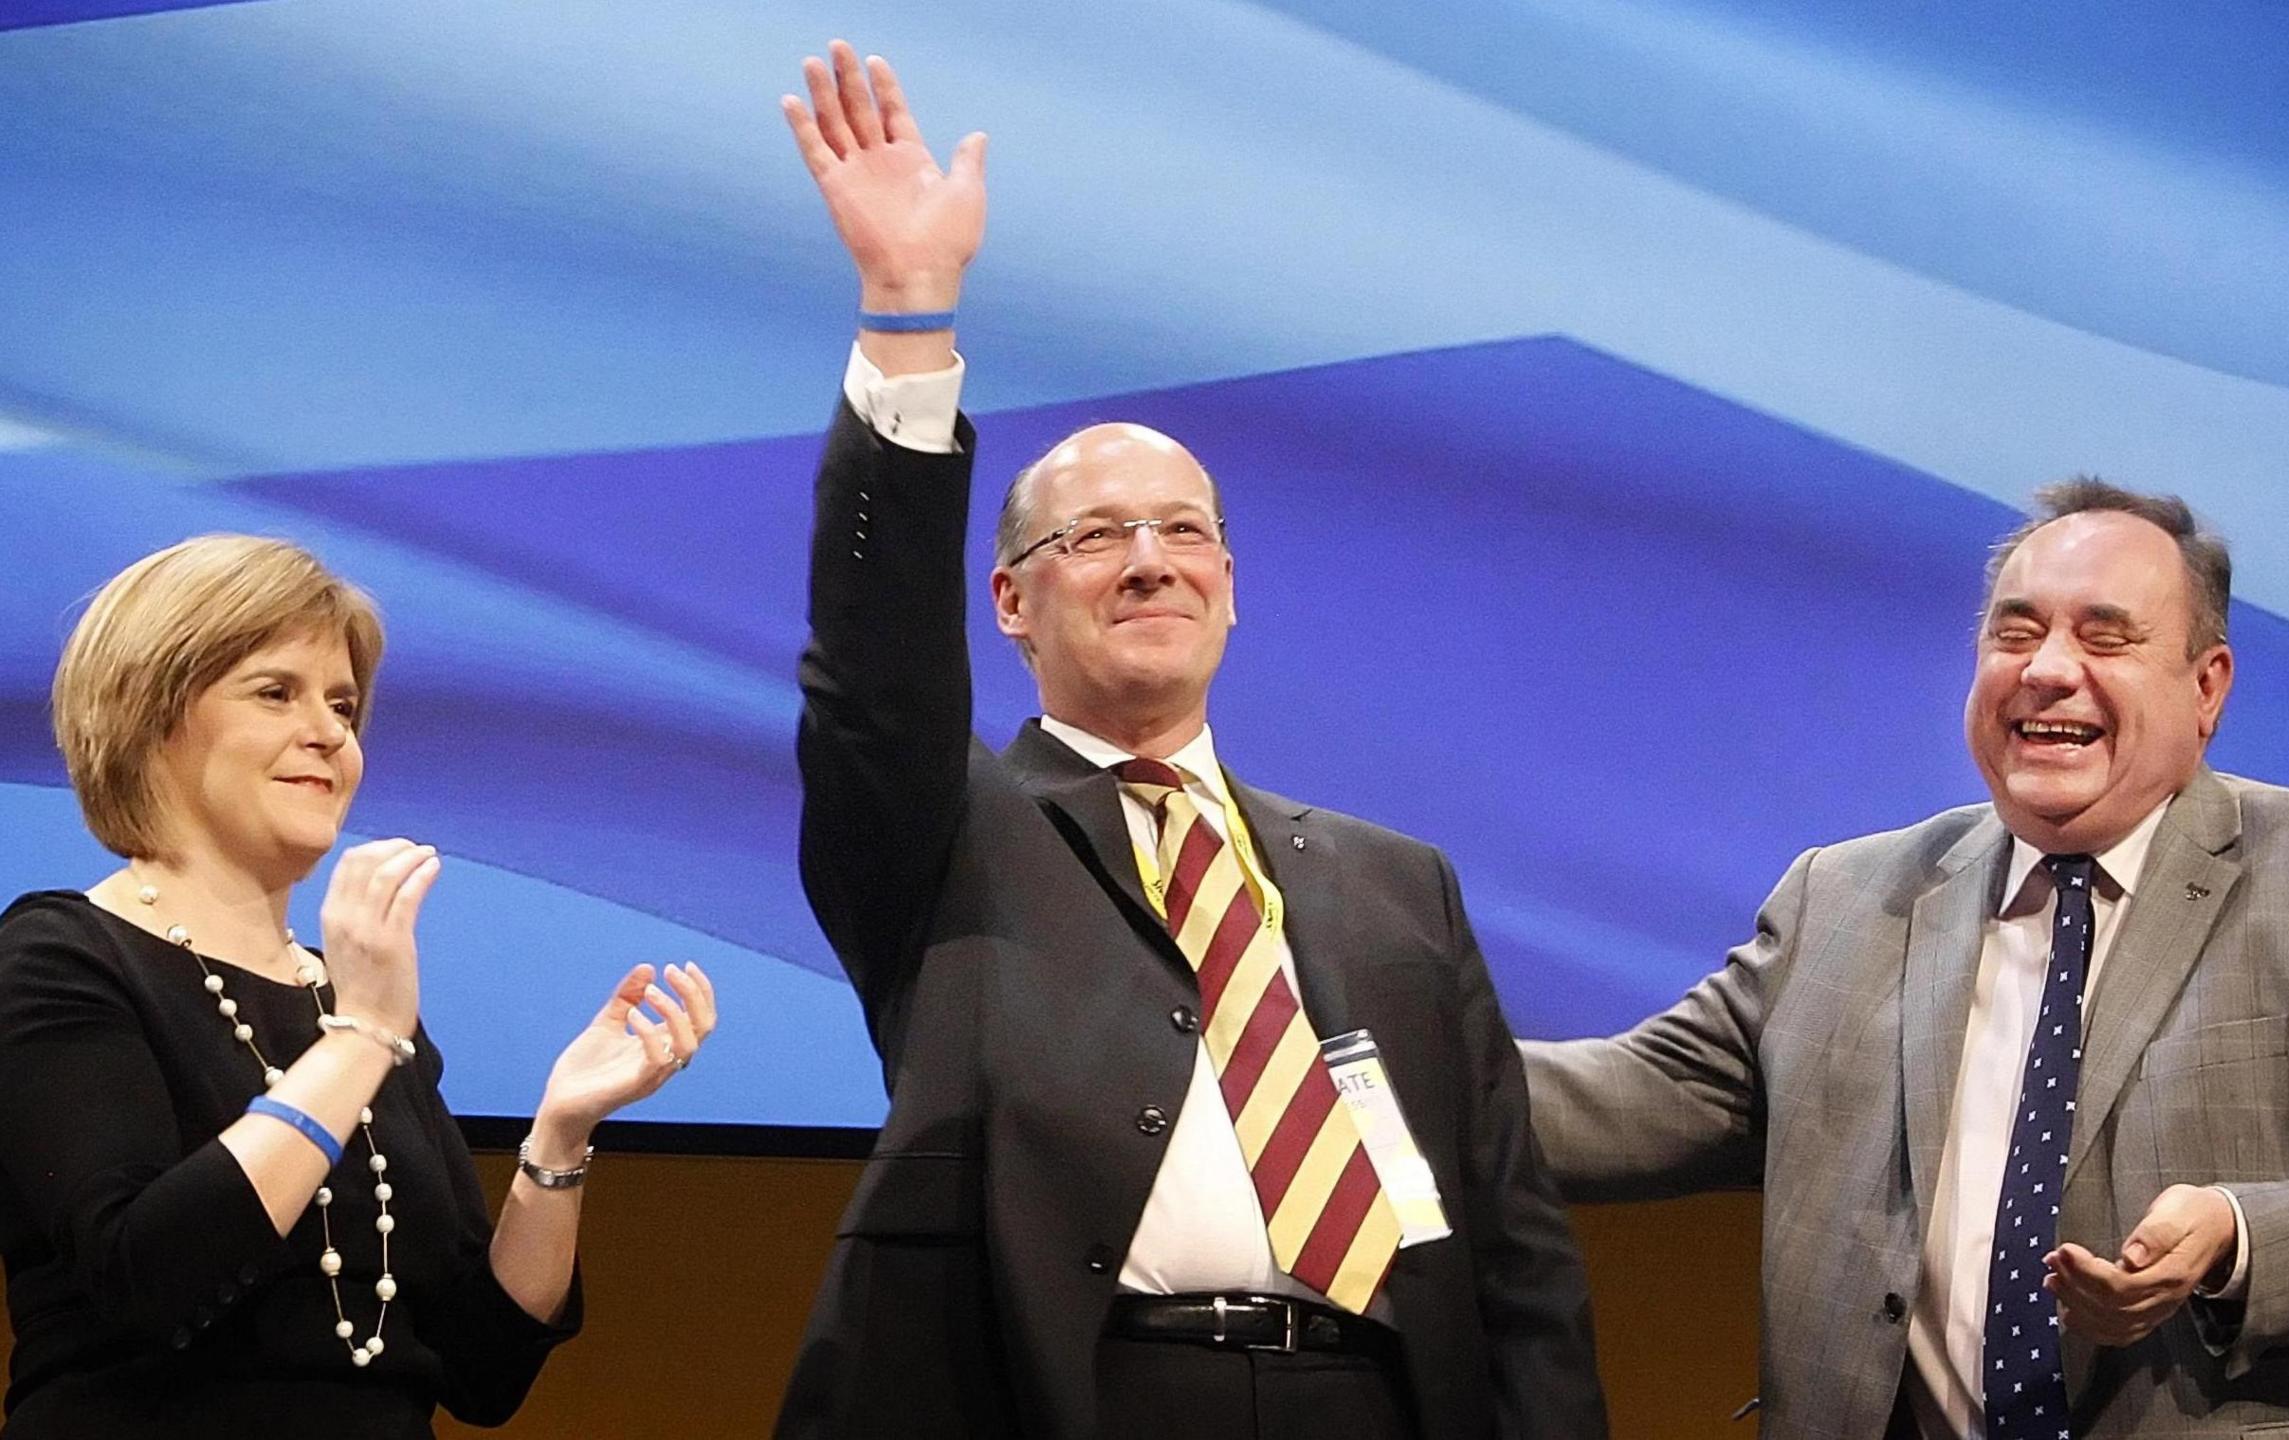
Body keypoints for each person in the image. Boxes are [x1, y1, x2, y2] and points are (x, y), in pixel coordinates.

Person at [770, 42, 1607, 1440]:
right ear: (1012, 603)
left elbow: (1519, 1261)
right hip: (1081, 1394)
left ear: (1231, 583)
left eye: (1185, 533)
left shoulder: (1399, 886)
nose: (1150, 562)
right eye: (1097, 536)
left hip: (1377, 1402)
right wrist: (909, 318)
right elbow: (873, 671)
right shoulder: (945, 833)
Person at [1523, 480, 2289, 1438]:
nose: (2048, 667)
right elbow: (1630, 1098)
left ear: (2206, 687)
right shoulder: (1846, 897)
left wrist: (2239, 1234)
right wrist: (1383, 1045)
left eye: (2106, 637)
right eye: (2016, 631)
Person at [0, 534, 718, 1439]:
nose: (331, 732)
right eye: (276, 693)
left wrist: (558, 1137)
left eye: (343, 704)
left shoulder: (364, 1012)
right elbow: (149, 1280)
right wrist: (363, 1034)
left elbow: (481, 1366)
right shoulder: (59, 958)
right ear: (150, 716)